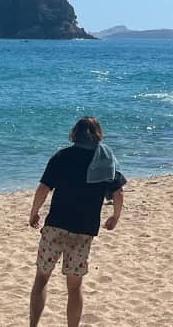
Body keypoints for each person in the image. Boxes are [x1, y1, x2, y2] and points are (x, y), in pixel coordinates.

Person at [29, 117, 125, 327]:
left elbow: (44, 189)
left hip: (55, 226)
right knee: (74, 287)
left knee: (41, 279)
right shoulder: (105, 159)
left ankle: (33, 325)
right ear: (98, 133)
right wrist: (115, 216)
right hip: (84, 230)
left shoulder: (62, 156)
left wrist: (34, 213)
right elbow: (118, 192)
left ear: (75, 133)